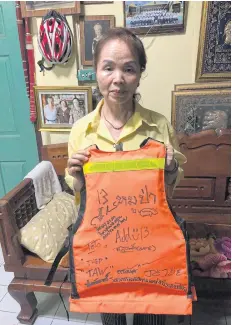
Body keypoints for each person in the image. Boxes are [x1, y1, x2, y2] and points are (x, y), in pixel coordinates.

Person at [66, 27, 186, 325]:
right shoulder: (81, 131)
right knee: (113, 313)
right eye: (108, 67)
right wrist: (75, 174)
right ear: (96, 71)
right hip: (103, 246)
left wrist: (170, 167)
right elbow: (78, 191)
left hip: (152, 243)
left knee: (154, 313)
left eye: (128, 69)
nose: (118, 78)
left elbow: (170, 184)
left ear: (140, 73)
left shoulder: (158, 126)